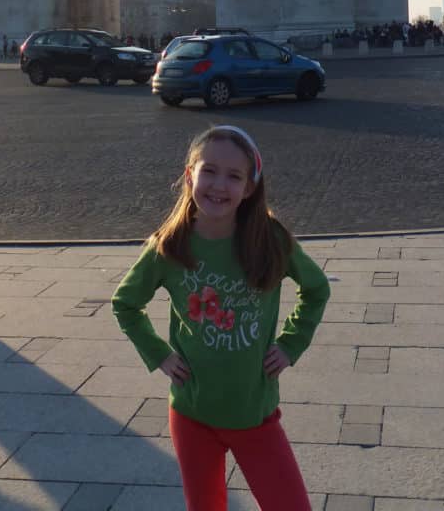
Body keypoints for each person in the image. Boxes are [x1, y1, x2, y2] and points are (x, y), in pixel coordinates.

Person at [112, 125, 329, 511]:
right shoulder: (169, 244)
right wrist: (159, 354)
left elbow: (316, 290)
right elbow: (126, 303)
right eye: (209, 170)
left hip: (254, 415)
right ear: (189, 175)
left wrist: (291, 343)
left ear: (248, 188)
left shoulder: (270, 239)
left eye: (234, 176)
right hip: (192, 415)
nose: (219, 185)